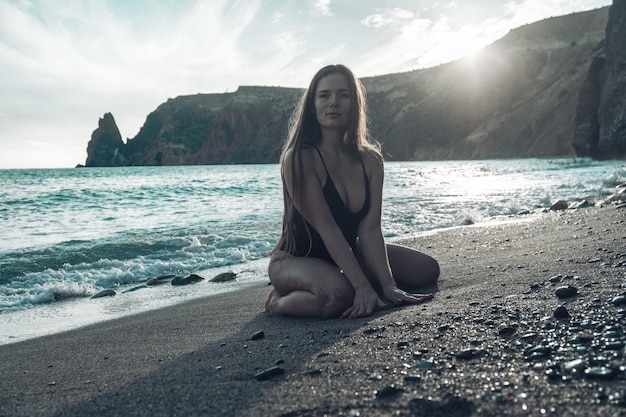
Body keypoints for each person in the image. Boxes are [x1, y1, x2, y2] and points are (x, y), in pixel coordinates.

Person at [265, 64, 439, 319]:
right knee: (338, 296)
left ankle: (349, 278)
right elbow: (328, 228)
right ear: (312, 105)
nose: (333, 102)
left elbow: (369, 230)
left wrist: (389, 284)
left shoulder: (371, 160)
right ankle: (276, 302)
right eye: (324, 95)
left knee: (425, 270)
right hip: (294, 261)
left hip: (346, 255)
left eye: (343, 95)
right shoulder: (300, 158)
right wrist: (362, 288)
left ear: (355, 102)